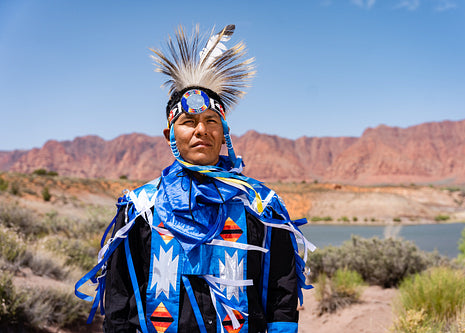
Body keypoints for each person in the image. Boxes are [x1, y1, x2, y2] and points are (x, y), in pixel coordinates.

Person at [75, 24, 314, 333]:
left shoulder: (261, 207)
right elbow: (120, 301)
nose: (201, 130)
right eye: (188, 122)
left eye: (211, 121)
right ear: (169, 134)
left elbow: (282, 295)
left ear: (224, 132)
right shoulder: (141, 210)